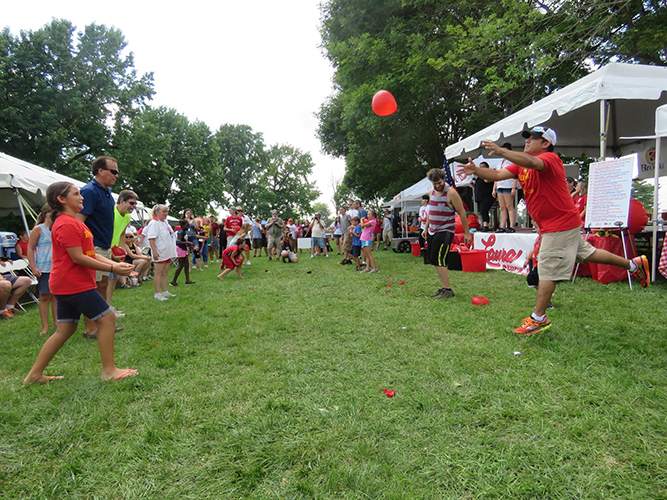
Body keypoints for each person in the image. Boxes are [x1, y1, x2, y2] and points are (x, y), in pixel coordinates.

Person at [462, 125, 650, 335]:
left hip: (559, 225)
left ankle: (539, 318)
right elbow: (497, 174)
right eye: (528, 138)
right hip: (559, 224)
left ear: (546, 144)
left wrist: (503, 151)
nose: (527, 141)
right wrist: (477, 171)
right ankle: (633, 265)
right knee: (588, 253)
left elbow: (533, 162)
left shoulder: (550, 159)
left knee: (547, 270)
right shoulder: (520, 165)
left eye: (533, 138)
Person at [22, 181, 137, 384]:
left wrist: (114, 264)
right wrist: (112, 268)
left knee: (65, 329)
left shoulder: (74, 222)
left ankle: (33, 375)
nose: (81, 196)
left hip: (67, 283)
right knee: (107, 318)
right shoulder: (66, 223)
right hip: (73, 283)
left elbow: (88, 253)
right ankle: (109, 371)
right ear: (61, 199)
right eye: (76, 194)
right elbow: (78, 257)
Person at [77, 156, 120, 337]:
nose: (117, 176)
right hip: (93, 247)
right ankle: (91, 328)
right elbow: (79, 222)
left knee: (102, 284)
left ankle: (102, 323)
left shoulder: (107, 192)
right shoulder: (89, 191)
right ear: (100, 171)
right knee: (91, 287)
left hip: (104, 245)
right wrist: (86, 249)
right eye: (114, 171)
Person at [423, 168, 471, 298]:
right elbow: (431, 212)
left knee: (439, 259)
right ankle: (444, 288)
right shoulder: (432, 192)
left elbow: (462, 213)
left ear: (444, 179)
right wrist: (425, 228)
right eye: (435, 183)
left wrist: (467, 233)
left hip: (445, 231)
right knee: (434, 259)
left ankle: (448, 289)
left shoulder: (451, 193)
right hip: (433, 230)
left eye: (439, 182)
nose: (438, 186)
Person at [27, 204, 57, 334]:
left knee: (56, 296)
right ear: (46, 214)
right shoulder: (38, 229)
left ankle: (57, 323)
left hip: (56, 267)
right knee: (44, 296)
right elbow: (30, 247)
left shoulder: (57, 228)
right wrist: (33, 266)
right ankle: (45, 327)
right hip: (43, 267)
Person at [107, 190, 139, 314]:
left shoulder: (127, 217)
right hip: (105, 250)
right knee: (105, 281)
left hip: (115, 251)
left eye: (135, 204)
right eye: (131, 203)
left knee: (113, 279)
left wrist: (121, 254)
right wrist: (111, 252)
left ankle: (108, 306)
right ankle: (105, 309)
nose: (133, 206)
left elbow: (121, 235)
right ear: (122, 201)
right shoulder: (111, 213)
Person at [145, 205, 178, 301]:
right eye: (164, 212)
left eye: (167, 211)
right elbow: (151, 238)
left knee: (165, 272)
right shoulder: (154, 223)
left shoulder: (165, 222)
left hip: (167, 251)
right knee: (158, 272)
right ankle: (157, 293)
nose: (166, 214)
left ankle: (165, 291)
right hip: (159, 251)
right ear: (157, 212)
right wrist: (154, 252)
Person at [493, 143, 518, 233]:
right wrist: (494, 188)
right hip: (500, 185)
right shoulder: (499, 163)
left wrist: (514, 187)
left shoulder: (512, 162)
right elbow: (496, 176)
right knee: (502, 207)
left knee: (509, 206)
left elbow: (515, 175)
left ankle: (511, 226)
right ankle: (502, 226)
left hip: (508, 185)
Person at [171, 219, 196, 287]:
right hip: (180, 249)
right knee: (181, 265)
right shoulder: (181, 232)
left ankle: (187, 280)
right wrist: (188, 243)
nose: (188, 226)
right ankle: (173, 281)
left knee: (187, 265)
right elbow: (178, 241)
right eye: (187, 225)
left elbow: (184, 241)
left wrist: (189, 245)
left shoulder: (184, 232)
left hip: (184, 249)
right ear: (182, 225)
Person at [473, 161, 495, 232]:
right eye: (480, 167)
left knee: (484, 210)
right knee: (482, 211)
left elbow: (487, 181)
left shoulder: (489, 175)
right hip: (480, 196)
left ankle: (486, 225)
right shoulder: (479, 177)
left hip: (487, 196)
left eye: (483, 167)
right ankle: (484, 224)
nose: (481, 168)